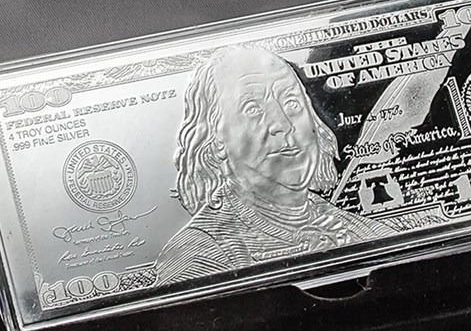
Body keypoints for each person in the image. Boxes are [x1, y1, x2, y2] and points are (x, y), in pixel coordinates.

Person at [156, 45, 391, 284]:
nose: (284, 124)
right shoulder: (198, 255)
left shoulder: (370, 232)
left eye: (292, 103)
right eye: (252, 109)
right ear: (217, 138)